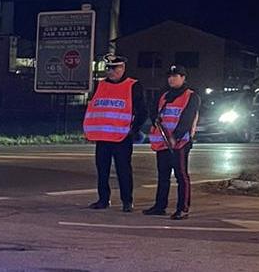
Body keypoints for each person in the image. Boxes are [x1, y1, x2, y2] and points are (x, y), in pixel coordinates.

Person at [84, 54, 147, 211]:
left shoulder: (133, 85)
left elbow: (142, 111)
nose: (111, 72)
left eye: (114, 68)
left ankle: (127, 201)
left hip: (122, 137)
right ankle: (103, 200)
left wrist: (134, 130)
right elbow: (94, 108)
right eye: (108, 68)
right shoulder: (100, 85)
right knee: (102, 170)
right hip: (103, 137)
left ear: (122, 68)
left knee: (123, 170)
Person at [144, 65, 200, 220]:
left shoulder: (192, 96)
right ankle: (160, 206)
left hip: (180, 142)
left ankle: (183, 209)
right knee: (163, 175)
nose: (171, 79)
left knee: (181, 176)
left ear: (183, 78)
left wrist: (175, 136)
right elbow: (153, 110)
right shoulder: (164, 94)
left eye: (175, 76)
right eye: (169, 76)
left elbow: (187, 119)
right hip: (163, 141)